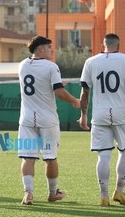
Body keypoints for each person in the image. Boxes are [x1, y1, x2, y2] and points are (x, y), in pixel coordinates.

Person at [78, 33, 125, 206]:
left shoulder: (90, 62)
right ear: (118, 45)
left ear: (102, 45)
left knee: (103, 155)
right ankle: (119, 191)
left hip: (100, 114)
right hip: (121, 114)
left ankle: (104, 196)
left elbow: (85, 92)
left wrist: (83, 116)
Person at [18, 35, 80, 205]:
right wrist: (75, 101)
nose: (52, 50)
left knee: (28, 157)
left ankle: (28, 193)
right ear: (40, 49)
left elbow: (39, 83)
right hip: (47, 119)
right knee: (50, 157)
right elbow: (59, 93)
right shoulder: (51, 67)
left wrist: (57, 84)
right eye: (49, 47)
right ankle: (53, 193)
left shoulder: (22, 65)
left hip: (27, 118)